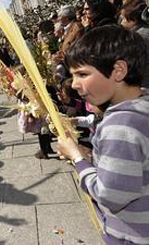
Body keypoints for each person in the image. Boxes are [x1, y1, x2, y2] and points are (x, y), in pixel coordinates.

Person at [57, 26, 149, 244]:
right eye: (72, 75)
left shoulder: (119, 125)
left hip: (132, 236)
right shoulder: (141, 108)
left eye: (83, 74)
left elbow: (110, 196)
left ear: (118, 71)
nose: (75, 84)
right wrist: (91, 156)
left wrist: (78, 160)